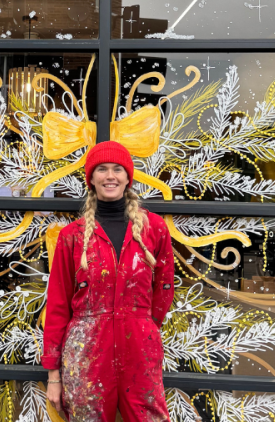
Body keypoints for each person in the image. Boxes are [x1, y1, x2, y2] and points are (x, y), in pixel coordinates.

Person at [42, 140, 175, 422]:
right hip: (86, 351)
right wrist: (54, 375)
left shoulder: (154, 228)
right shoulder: (72, 236)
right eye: (102, 169)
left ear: (128, 177)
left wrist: (145, 324)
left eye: (117, 169)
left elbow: (165, 285)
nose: (110, 176)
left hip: (140, 347)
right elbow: (56, 305)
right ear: (91, 178)